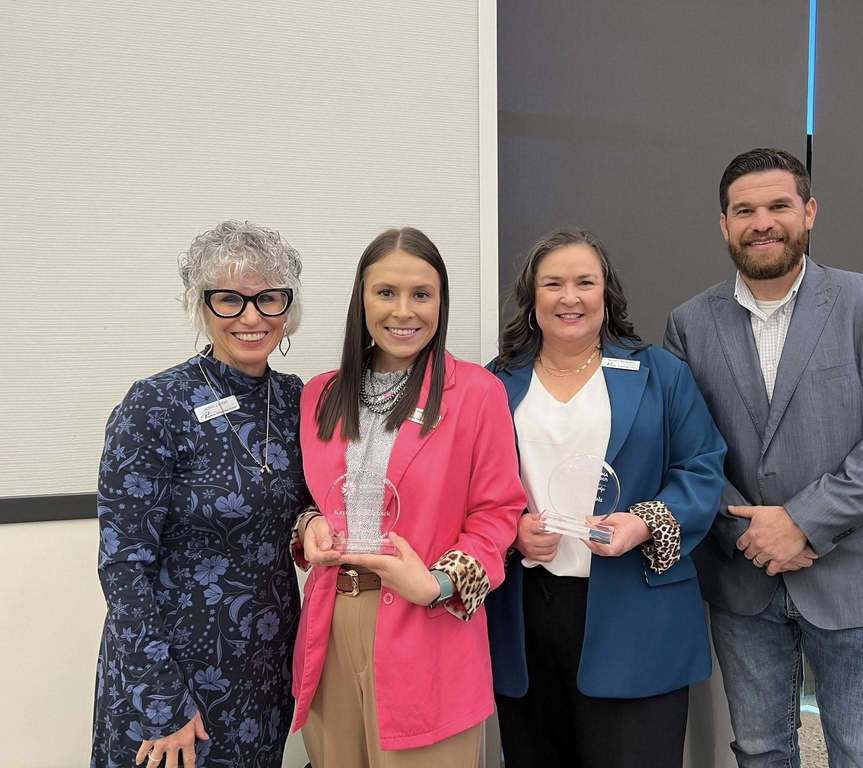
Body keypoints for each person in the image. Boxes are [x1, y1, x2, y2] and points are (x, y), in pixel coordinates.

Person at [664, 148, 863, 767]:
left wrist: (802, 522)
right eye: (745, 210)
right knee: (759, 753)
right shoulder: (689, 323)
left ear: (809, 212)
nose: (763, 222)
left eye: (779, 205)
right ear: (724, 224)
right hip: (743, 576)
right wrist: (751, 532)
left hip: (858, 575)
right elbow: (688, 446)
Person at [486, 227, 726, 768]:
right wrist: (513, 529)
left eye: (584, 282)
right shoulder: (494, 383)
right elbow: (472, 490)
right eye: (553, 284)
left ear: (606, 293)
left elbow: (703, 468)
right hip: (527, 614)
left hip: (636, 612)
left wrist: (643, 523)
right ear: (532, 298)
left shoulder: (661, 374)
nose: (569, 297)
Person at [289, 227, 525, 768]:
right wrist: (309, 528)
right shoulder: (320, 394)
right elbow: (313, 500)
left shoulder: (475, 392)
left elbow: (497, 514)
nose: (404, 311)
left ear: (441, 302)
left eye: (422, 294)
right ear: (361, 300)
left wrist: (438, 583)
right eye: (386, 293)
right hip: (331, 622)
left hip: (427, 623)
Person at [91, 221, 310, 768]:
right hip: (172, 677)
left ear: (289, 306)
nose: (252, 317)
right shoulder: (155, 405)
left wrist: (311, 523)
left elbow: (306, 503)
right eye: (229, 299)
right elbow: (123, 565)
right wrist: (162, 703)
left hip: (263, 672)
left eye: (269, 298)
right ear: (201, 304)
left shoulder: (294, 400)